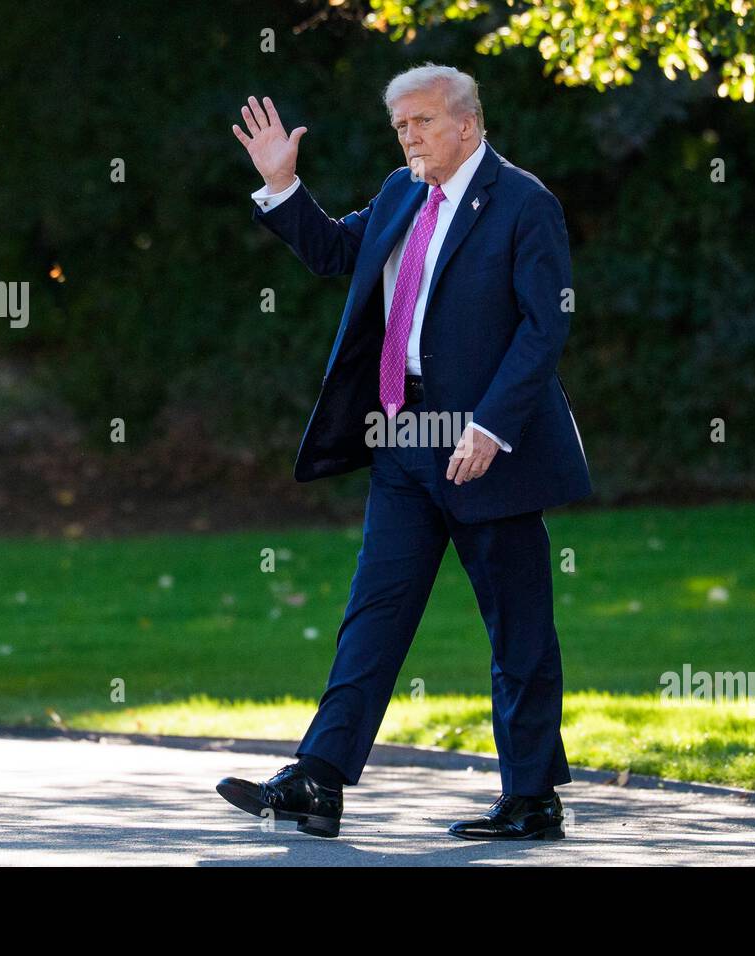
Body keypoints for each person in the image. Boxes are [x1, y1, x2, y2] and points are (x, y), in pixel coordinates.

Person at [217, 63, 591, 840]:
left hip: (487, 443)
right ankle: (318, 779)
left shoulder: (524, 203)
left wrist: (491, 426)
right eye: (401, 127)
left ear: (467, 123)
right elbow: (334, 254)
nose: (409, 137)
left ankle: (531, 797)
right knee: (373, 614)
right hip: (402, 438)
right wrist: (283, 186)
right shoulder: (400, 191)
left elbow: (543, 327)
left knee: (518, 626)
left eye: (421, 122)